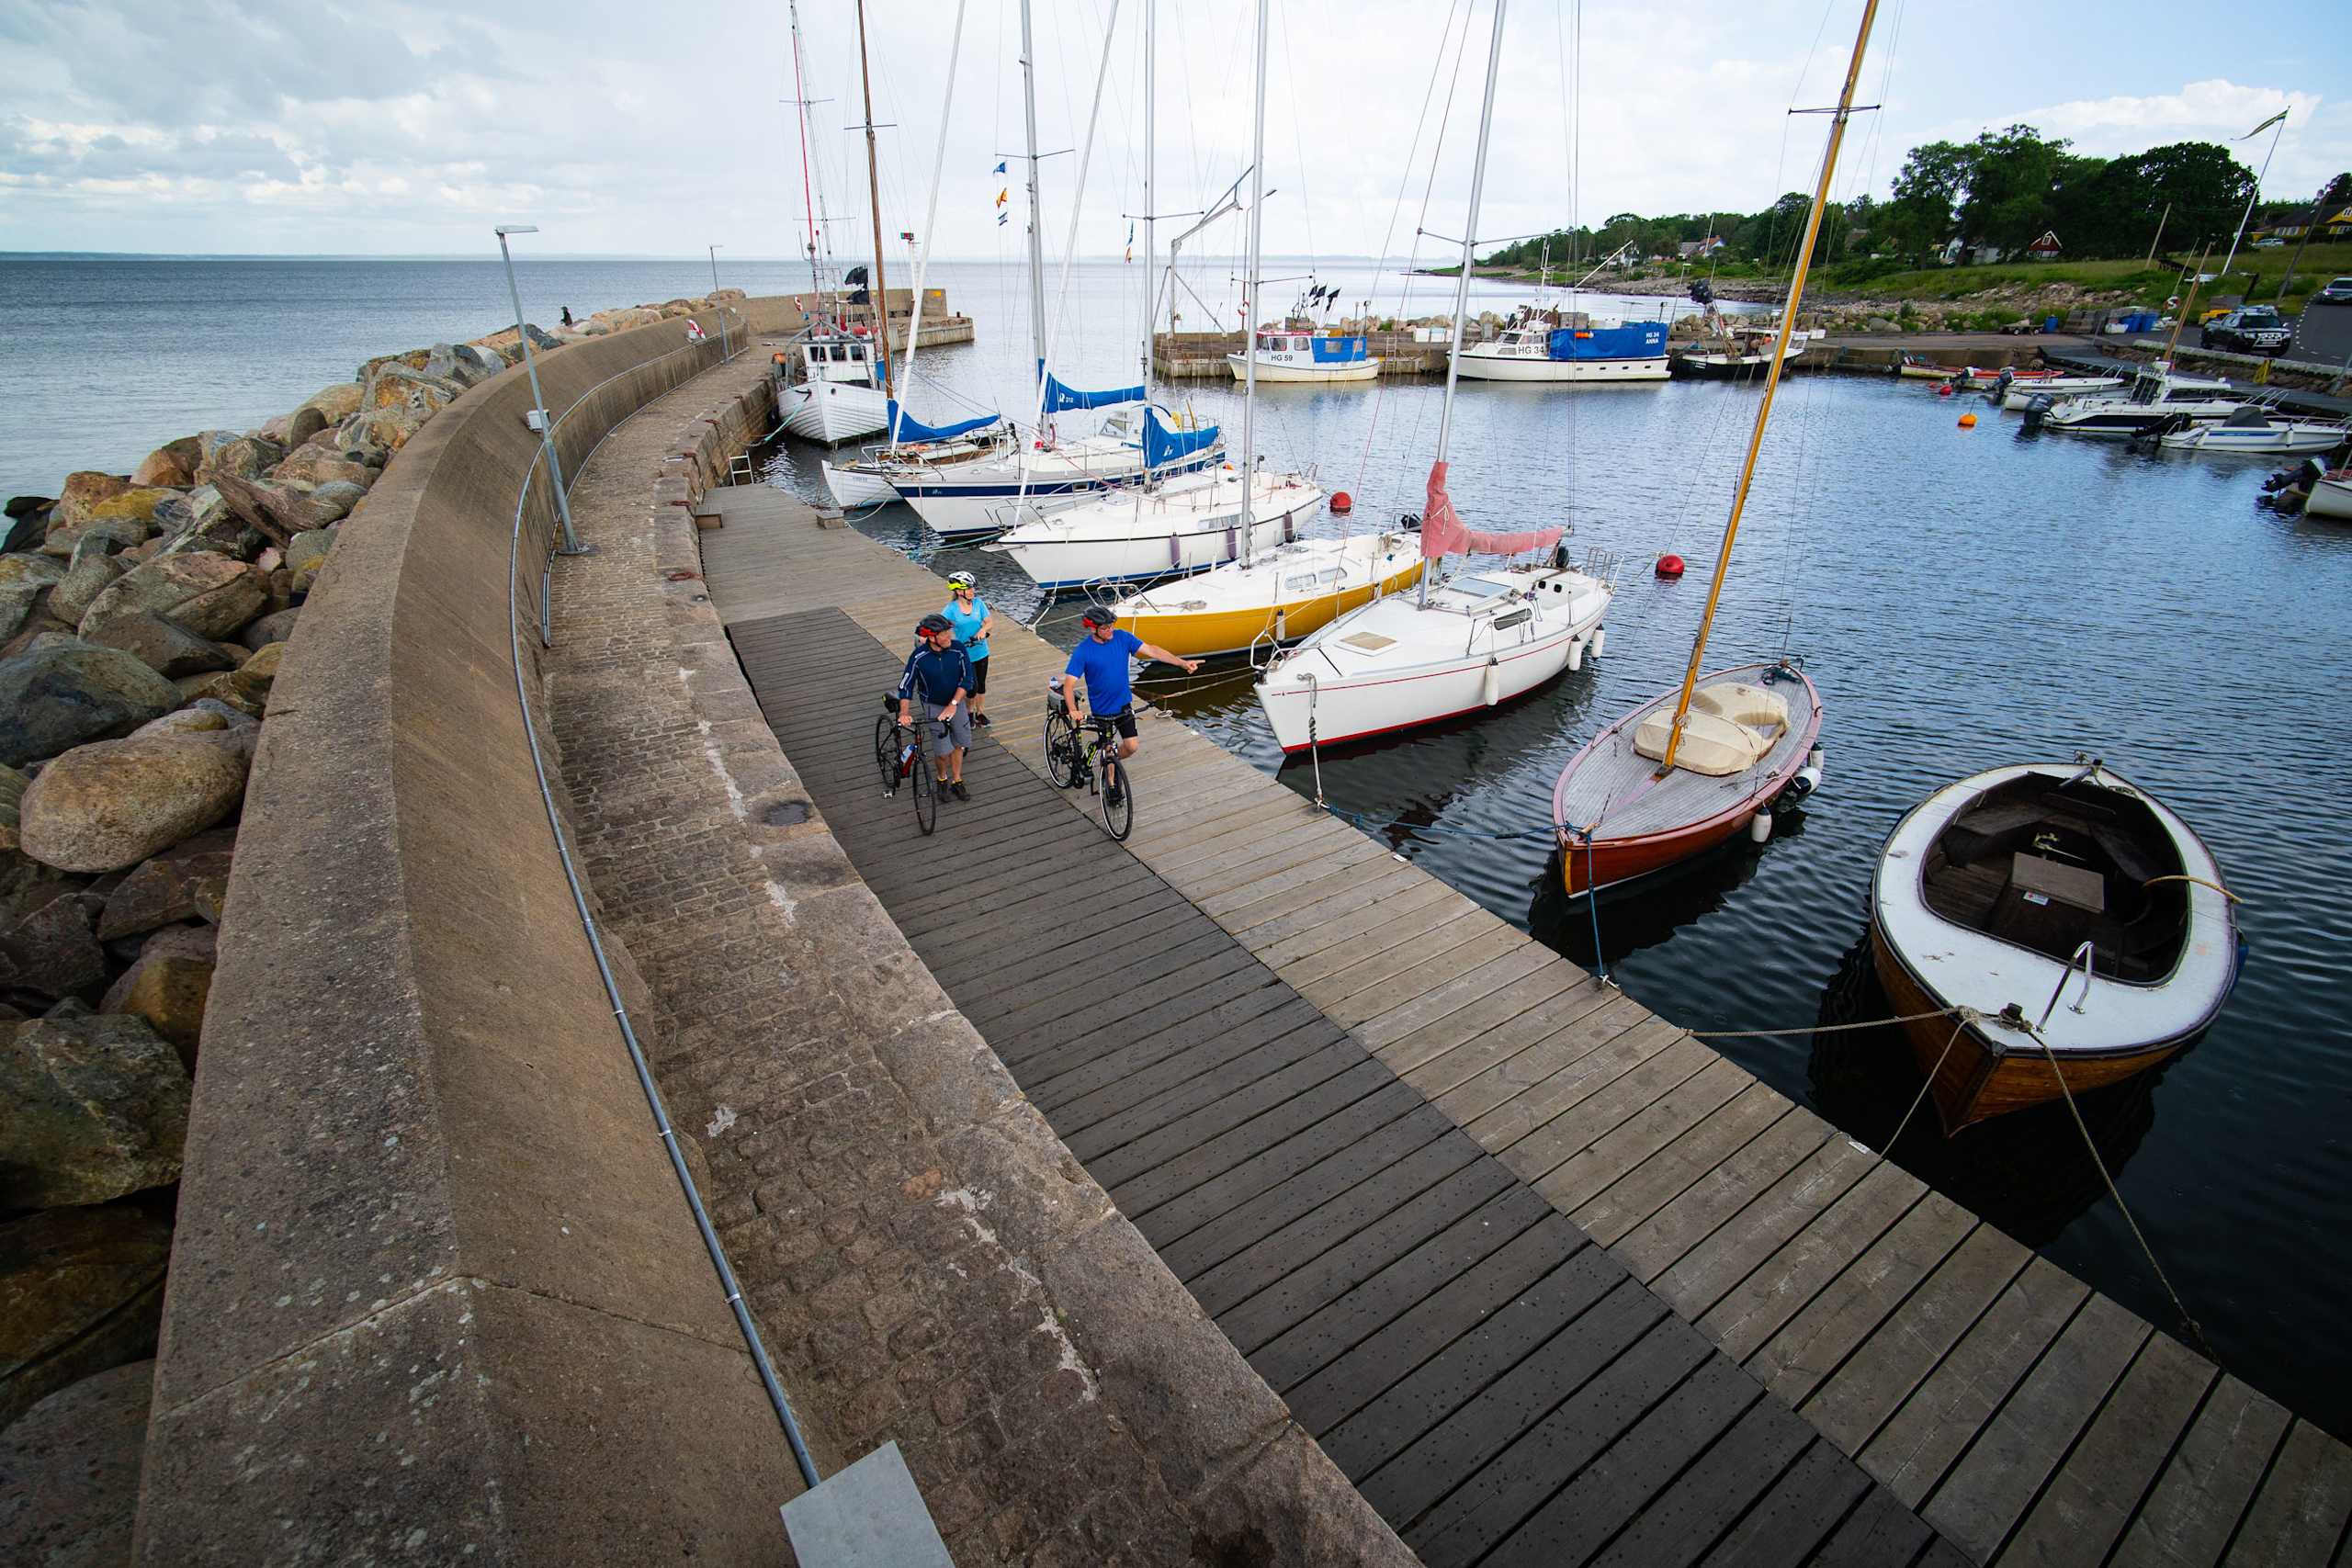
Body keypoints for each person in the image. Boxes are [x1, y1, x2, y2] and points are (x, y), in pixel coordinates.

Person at [1061, 604, 1197, 806]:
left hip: (1124, 704)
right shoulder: (1083, 651)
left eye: (1111, 626)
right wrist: (1073, 710)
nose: (1110, 631)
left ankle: (1110, 757)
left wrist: (1182, 663)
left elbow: (1152, 650)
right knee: (1108, 746)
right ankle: (1111, 782)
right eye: (1105, 628)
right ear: (1093, 629)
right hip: (1102, 710)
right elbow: (1069, 685)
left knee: (1131, 746)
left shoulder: (1123, 638)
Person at [899, 613, 973, 801]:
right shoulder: (918, 657)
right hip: (933, 705)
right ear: (932, 638)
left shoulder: (958, 649)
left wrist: (954, 705)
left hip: (956, 703)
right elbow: (906, 686)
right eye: (945, 634)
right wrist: (904, 712)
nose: (950, 637)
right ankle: (942, 778)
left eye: (949, 632)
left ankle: (957, 780)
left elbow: (967, 680)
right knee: (942, 751)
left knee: (960, 744)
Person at [939, 571, 995, 728]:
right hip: (965, 654)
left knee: (981, 684)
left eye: (972, 588)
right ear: (958, 591)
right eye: (968, 588)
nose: (972, 591)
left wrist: (983, 630)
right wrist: (952, 640)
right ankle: (970, 712)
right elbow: (942, 627)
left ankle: (981, 712)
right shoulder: (951, 609)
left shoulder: (978, 603)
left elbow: (989, 621)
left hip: (982, 651)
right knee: (972, 687)